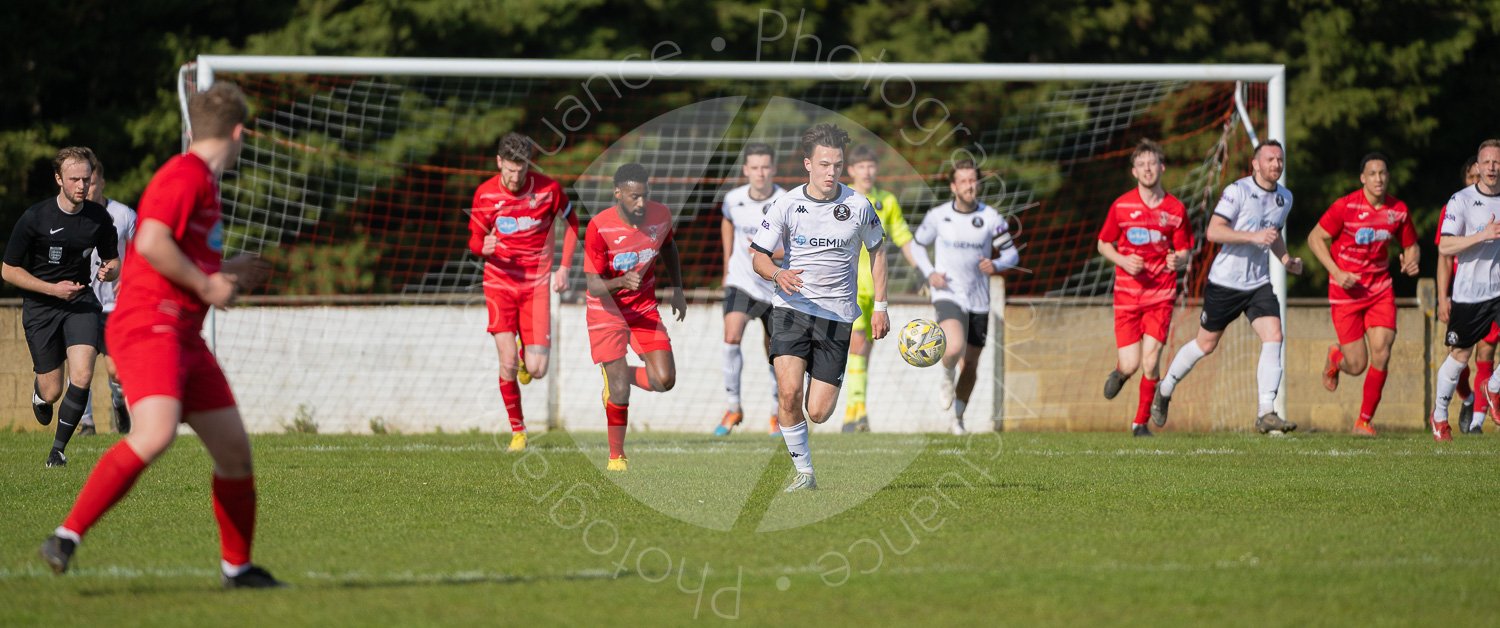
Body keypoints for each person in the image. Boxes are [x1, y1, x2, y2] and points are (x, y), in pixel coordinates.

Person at [38, 82, 284, 588]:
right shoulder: (185, 173)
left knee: (234, 452)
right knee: (155, 432)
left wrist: (229, 267)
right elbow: (150, 243)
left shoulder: (205, 184)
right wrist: (208, 283)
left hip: (184, 335)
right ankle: (66, 535)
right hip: (150, 325)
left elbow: (179, 251)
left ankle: (237, 569)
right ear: (239, 133)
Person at [750, 123, 888, 492]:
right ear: (808, 164)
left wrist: (881, 305)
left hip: (837, 317)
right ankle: (805, 472)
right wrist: (777, 273)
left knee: (819, 412)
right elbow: (757, 257)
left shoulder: (859, 206)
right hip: (792, 309)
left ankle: (810, 432)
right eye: (825, 164)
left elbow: (877, 251)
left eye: (838, 165)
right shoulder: (786, 203)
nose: (832, 172)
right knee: (789, 391)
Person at [1152, 140, 1303, 434]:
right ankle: (1165, 387)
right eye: (1270, 159)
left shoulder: (1285, 197)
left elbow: (1274, 234)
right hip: (1226, 282)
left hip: (1258, 283)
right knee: (1205, 345)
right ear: (1255, 164)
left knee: (1274, 335)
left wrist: (1285, 259)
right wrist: (1252, 237)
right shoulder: (1238, 191)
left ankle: (1266, 411)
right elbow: (1213, 231)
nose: (1276, 165)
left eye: (1280, 160)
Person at [2, 146, 119, 467]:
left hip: (81, 303)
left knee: (82, 374)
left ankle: (58, 451)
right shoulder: (35, 218)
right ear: (59, 179)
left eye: (86, 178)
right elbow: (8, 270)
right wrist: (51, 288)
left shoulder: (98, 218)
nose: (82, 185)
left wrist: (111, 270)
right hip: (41, 307)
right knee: (52, 390)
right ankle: (40, 394)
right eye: (74, 179)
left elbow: (113, 260)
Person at [469, 132, 578, 452]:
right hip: (499, 283)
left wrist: (565, 267)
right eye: (510, 170)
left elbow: (572, 222)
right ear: (499, 162)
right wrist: (482, 246)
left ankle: (523, 355)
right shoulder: (485, 194)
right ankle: (518, 431)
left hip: (535, 286)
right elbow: (474, 239)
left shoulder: (549, 189)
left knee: (537, 370)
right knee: (504, 363)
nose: (515, 178)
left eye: (522, 170)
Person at [583, 163, 686, 471]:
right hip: (606, 313)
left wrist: (678, 288)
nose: (641, 203)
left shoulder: (660, 215)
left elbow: (669, 249)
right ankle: (617, 456)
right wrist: (621, 281)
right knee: (619, 393)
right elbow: (592, 285)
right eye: (634, 197)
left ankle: (620, 375)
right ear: (618, 194)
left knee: (664, 380)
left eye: (644, 196)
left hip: (643, 309)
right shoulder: (599, 227)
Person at [1307, 153, 1419, 436]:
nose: (1378, 179)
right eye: (1372, 174)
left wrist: (1411, 258)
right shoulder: (1345, 206)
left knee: (1382, 350)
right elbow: (1314, 238)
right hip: (1346, 292)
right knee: (1356, 365)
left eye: (1383, 173)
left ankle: (1363, 421)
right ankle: (1336, 357)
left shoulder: (1398, 210)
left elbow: (1411, 244)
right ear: (1362, 178)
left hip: (1379, 289)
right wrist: (1336, 272)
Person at [910, 158, 1018, 435]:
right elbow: (917, 246)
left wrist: (996, 265)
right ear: (953, 186)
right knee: (953, 346)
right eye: (964, 181)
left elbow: (1011, 253)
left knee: (971, 365)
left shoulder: (991, 217)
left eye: (974, 180)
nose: (970, 186)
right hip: (948, 293)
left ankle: (957, 417)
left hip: (979, 299)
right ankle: (946, 375)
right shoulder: (938, 216)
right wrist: (930, 273)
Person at [1096, 140, 1193, 437]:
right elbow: (1103, 244)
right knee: (1131, 363)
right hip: (1127, 295)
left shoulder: (1175, 209)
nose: (1148, 169)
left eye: (1152, 163)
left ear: (1161, 168)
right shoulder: (1122, 206)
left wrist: (1179, 260)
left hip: (1160, 295)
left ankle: (1140, 424)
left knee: (1151, 362)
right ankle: (1121, 373)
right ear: (1134, 172)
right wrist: (1124, 260)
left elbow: (1185, 249)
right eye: (1142, 165)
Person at [842, 144, 918, 433]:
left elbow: (903, 238)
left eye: (871, 166)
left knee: (864, 350)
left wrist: (922, 271)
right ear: (851, 170)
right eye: (861, 166)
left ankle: (855, 412)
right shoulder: (844, 198)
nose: (867, 171)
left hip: (876, 287)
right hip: (848, 286)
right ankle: (855, 412)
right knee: (857, 346)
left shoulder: (887, 201)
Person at [1433, 139, 1500, 442]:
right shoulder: (1459, 200)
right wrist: (1482, 235)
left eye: (1496, 162)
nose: (1491, 167)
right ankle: (1439, 416)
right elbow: (1445, 245)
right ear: (1477, 166)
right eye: (1486, 162)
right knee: (1460, 356)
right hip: (1470, 294)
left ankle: (1494, 387)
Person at [715, 142, 784, 437]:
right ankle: (733, 406)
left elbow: (793, 245)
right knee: (731, 335)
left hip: (773, 285)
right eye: (754, 167)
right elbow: (727, 221)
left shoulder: (786, 201)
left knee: (775, 351)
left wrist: (767, 254)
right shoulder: (733, 199)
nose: (760, 173)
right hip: (740, 281)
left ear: (773, 169)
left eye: (765, 167)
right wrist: (728, 261)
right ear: (746, 170)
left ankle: (776, 412)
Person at [78, 157, 138, 436]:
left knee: (116, 371)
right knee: (81, 367)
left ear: (101, 182)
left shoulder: (124, 215)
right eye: (81, 181)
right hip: (81, 304)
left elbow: (142, 252)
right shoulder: (71, 215)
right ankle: (86, 422)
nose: (86, 186)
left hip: (116, 308)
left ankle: (118, 401)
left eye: (91, 180)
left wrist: (130, 279)